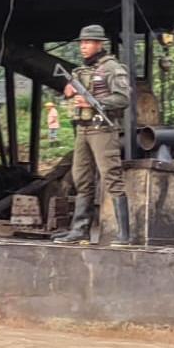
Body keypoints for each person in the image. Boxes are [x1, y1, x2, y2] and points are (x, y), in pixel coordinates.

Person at [52, 25, 132, 246]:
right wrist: (68, 92)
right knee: (82, 179)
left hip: (102, 129)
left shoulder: (113, 69)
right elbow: (67, 95)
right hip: (83, 129)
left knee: (111, 177)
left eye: (88, 42)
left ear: (100, 44)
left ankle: (125, 234)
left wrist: (96, 103)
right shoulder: (80, 71)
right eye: (81, 43)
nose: (83, 47)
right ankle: (79, 230)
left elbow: (123, 98)